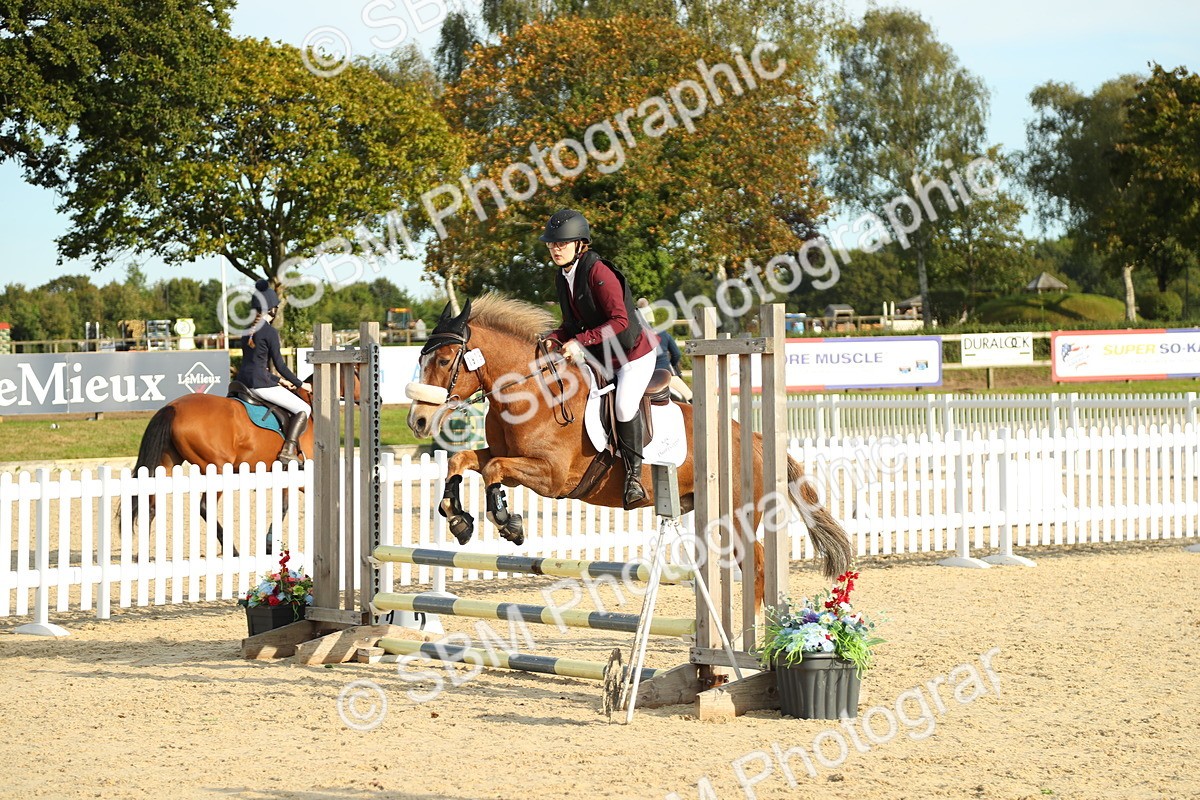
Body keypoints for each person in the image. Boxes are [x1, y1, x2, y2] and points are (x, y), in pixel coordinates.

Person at [540, 209, 656, 509]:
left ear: (580, 244)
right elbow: (570, 324)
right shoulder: (564, 276)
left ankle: (633, 478)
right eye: (552, 244)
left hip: (633, 355)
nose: (555, 249)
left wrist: (580, 341)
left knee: (623, 405)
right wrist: (554, 337)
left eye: (561, 244)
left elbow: (619, 321)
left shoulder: (598, 272)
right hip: (603, 357)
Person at [234, 280, 311, 466]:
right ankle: (288, 449)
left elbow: (254, 364)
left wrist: (280, 381)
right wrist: (302, 384)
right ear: (272, 310)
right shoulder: (269, 332)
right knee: (304, 409)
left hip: (242, 382)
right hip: (260, 384)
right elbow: (281, 365)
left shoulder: (247, 330)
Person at [637, 298, 692, 402]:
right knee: (692, 399)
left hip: (645, 378)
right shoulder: (663, 334)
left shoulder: (636, 338)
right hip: (666, 375)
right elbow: (676, 354)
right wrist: (671, 364)